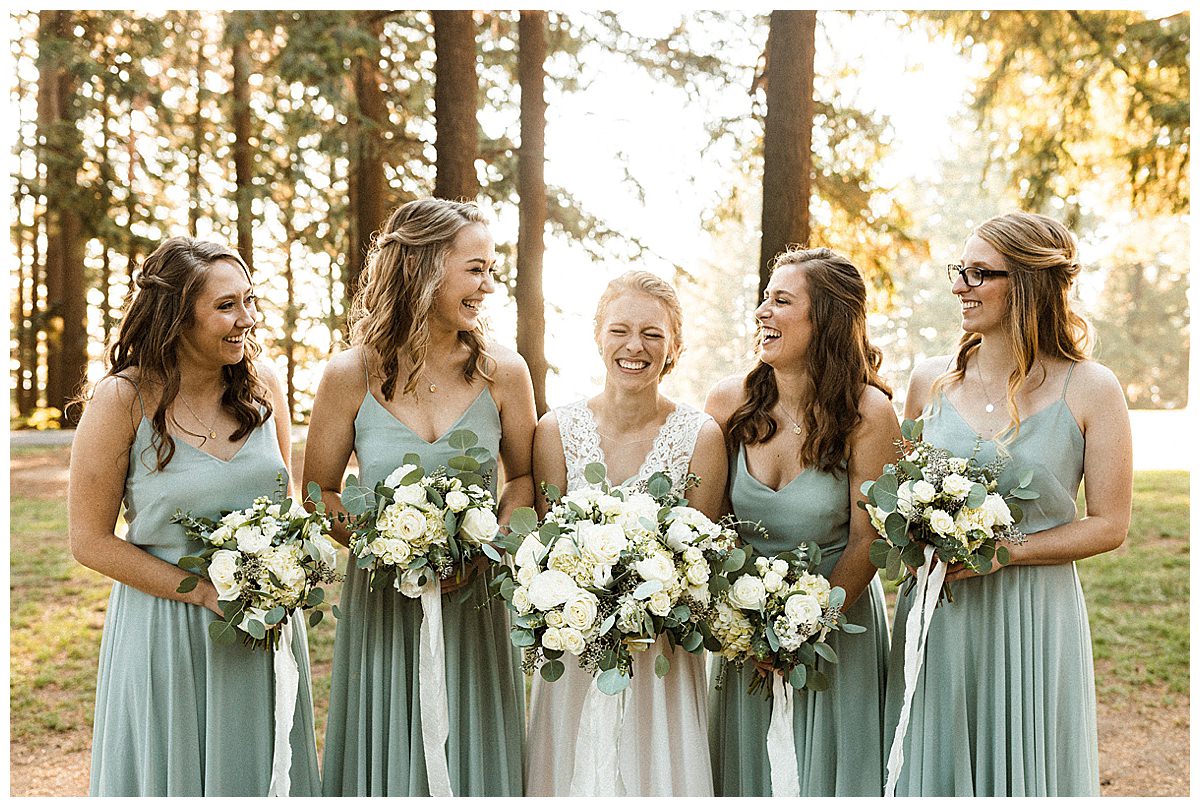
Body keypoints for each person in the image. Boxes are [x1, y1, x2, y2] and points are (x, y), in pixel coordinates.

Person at [882, 211, 1132, 796]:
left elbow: (1110, 525)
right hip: (939, 613)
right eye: (960, 270)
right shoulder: (928, 380)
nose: (958, 286)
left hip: (1033, 614)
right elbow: (895, 496)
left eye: (978, 273)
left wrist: (1004, 552)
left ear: (1026, 283)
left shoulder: (1092, 388)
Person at [68, 237, 320, 796]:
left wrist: (292, 563)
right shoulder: (122, 399)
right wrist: (203, 591)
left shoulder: (265, 389)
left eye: (249, 302)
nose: (245, 320)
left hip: (262, 625)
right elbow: (89, 541)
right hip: (167, 629)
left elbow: (287, 503)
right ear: (177, 314)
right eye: (225, 306)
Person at [304, 198, 535, 796]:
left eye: (492, 269)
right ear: (425, 266)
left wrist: (486, 544)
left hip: (476, 597)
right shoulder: (349, 375)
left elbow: (523, 481)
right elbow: (318, 490)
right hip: (384, 602)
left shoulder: (503, 373)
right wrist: (386, 547)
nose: (488, 285)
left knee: (468, 747)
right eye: (475, 268)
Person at [524, 270, 728, 796]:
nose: (634, 346)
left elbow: (698, 570)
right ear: (598, 336)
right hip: (577, 653)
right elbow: (547, 554)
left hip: (660, 656)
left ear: (674, 346)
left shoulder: (700, 437)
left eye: (653, 334)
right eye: (620, 330)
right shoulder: (555, 431)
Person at [705, 247, 899, 796]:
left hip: (836, 633)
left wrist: (802, 628)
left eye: (782, 301)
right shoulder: (727, 403)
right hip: (745, 638)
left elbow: (869, 540)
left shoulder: (869, 415)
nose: (763, 311)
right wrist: (746, 626)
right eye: (765, 297)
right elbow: (709, 526)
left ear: (827, 321)